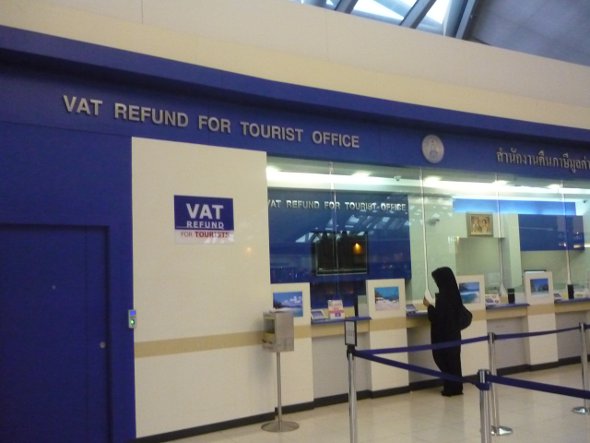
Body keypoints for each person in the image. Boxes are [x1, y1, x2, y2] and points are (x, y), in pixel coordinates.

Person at [423, 266, 464, 396]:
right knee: (454, 362)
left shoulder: (443, 298)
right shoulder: (454, 295)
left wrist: (429, 306)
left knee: (445, 361)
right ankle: (456, 387)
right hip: (454, 334)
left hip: (444, 336)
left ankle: (450, 388)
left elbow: (436, 318)